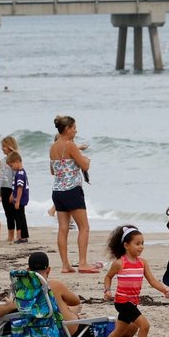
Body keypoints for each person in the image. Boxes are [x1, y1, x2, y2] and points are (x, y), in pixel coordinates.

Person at [96, 226, 169, 337]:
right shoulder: (120, 263)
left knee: (119, 331)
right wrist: (107, 290)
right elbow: (108, 277)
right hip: (122, 301)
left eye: (142, 243)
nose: (141, 246)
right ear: (126, 245)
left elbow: (152, 280)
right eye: (137, 243)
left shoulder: (142, 263)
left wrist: (164, 290)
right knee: (144, 325)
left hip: (133, 301)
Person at [50, 115, 96, 273]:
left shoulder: (53, 146)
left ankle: (65, 265)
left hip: (57, 192)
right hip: (72, 191)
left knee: (63, 229)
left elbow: (52, 170)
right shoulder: (70, 145)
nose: (76, 131)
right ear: (68, 129)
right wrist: (87, 160)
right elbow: (84, 165)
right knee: (84, 227)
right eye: (74, 128)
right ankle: (82, 263)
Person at [26, 251, 86, 334]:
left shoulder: (23, 290)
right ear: (48, 270)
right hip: (64, 333)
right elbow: (76, 301)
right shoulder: (54, 285)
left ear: (28, 270)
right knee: (95, 327)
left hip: (37, 332)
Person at [0, 135, 20, 242]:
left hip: (11, 189)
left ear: (10, 146)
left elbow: (17, 177)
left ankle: (18, 234)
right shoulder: (2, 161)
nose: (2, 148)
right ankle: (10, 234)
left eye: (4, 146)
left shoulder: (15, 159)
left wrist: (14, 192)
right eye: (2, 146)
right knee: (7, 213)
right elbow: (0, 177)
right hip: (3, 188)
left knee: (14, 213)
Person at [7, 151, 30, 244]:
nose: (11, 168)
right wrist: (13, 194)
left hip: (20, 199)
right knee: (20, 216)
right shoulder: (19, 172)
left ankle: (21, 236)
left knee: (19, 217)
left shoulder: (20, 173)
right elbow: (16, 187)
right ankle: (22, 236)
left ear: (17, 161)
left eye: (12, 166)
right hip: (19, 198)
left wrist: (17, 201)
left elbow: (20, 188)